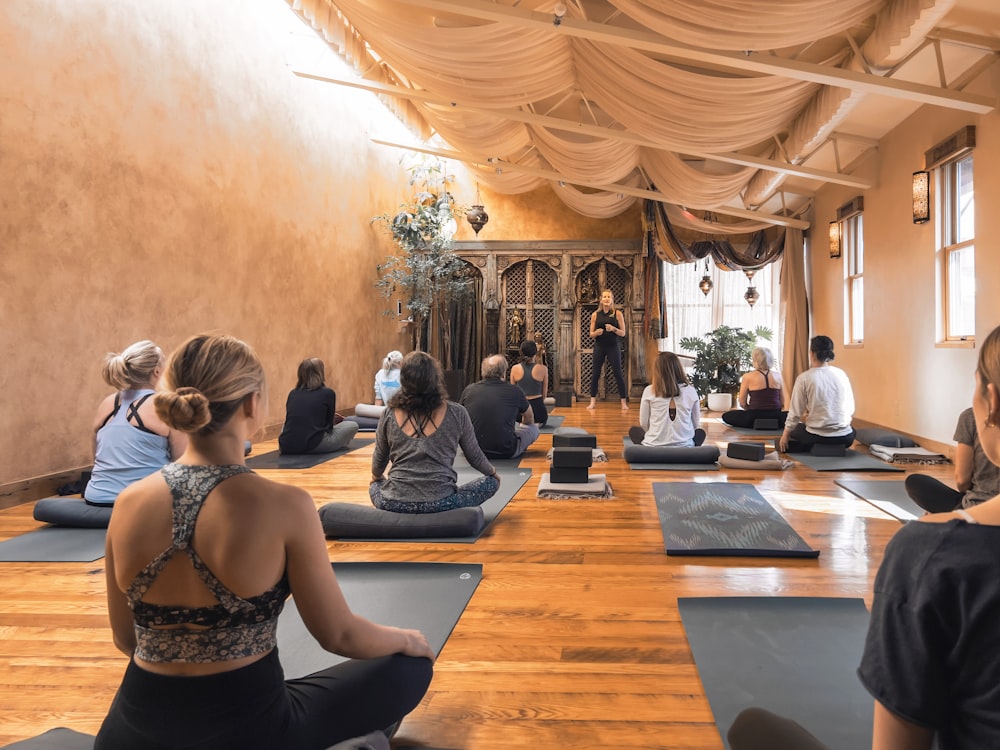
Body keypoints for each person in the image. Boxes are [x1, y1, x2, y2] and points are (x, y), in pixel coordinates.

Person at [97, 333, 434, 750]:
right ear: (252, 404)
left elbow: (125, 640)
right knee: (408, 667)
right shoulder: (285, 505)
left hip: (128, 736)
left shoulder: (128, 503)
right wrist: (407, 640)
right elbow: (339, 636)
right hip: (253, 733)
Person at [729, 323, 1000, 750]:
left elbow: (793, 416)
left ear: (991, 402)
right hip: (845, 437)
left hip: (815, 438)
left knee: (750, 728)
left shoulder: (928, 556)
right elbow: (851, 413)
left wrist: (783, 441)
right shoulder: (842, 377)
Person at [370, 351, 499, 514]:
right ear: (436, 378)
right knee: (491, 483)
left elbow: (378, 461)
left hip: (394, 503)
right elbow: (474, 455)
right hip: (441, 503)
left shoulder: (388, 413)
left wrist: (376, 477)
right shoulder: (457, 412)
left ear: (403, 379)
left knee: (375, 485)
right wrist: (493, 474)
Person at [86, 340, 187, 506]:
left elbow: (96, 458)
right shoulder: (167, 405)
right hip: (144, 502)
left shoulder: (107, 403)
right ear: (157, 371)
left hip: (96, 497)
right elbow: (182, 465)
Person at [904, 406, 1000, 513]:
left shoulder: (972, 416)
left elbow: (962, 481)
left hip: (977, 509)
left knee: (915, 483)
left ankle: (955, 516)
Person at [778, 335, 855, 453]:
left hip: (816, 437)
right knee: (853, 430)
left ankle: (807, 447)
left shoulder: (804, 378)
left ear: (812, 353)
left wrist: (785, 435)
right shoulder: (841, 374)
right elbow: (850, 409)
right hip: (845, 438)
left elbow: (795, 412)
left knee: (795, 430)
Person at [461, 354, 540, 459]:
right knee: (534, 428)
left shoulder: (469, 390)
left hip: (473, 451)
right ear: (503, 372)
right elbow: (529, 418)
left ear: (483, 371)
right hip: (506, 450)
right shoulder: (515, 391)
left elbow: (459, 418)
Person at [278, 358, 358, 454]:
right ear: (320, 373)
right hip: (315, 445)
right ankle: (338, 444)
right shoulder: (328, 393)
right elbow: (328, 427)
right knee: (352, 425)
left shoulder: (293, 393)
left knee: (286, 425)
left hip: (286, 445)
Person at [628, 351, 705, 447]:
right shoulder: (691, 390)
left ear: (657, 371)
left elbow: (644, 423)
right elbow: (695, 423)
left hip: (653, 447)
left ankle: (655, 447)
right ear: (678, 368)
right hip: (685, 447)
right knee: (699, 433)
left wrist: (658, 435)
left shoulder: (649, 390)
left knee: (634, 431)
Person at [721, 347, 787, 429]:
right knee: (790, 416)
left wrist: (750, 411)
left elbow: (742, 403)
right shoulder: (778, 376)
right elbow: (782, 402)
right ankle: (773, 423)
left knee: (726, 416)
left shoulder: (748, 377)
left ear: (756, 360)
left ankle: (755, 423)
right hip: (776, 416)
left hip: (754, 416)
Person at [588, 289, 629, 412]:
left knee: (618, 373)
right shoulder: (595, 314)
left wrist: (613, 329)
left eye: (608, 297)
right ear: (601, 299)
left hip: (613, 346)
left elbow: (623, 333)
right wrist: (596, 332)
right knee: (595, 373)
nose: (606, 299)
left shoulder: (617, 314)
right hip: (600, 346)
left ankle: (623, 402)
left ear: (612, 300)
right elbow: (591, 334)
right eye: (604, 297)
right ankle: (592, 402)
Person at [510, 339, 549, 427]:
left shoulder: (514, 368)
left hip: (521, 413)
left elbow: (513, 393)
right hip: (538, 413)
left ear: (521, 353)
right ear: (535, 353)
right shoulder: (543, 369)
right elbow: (544, 394)